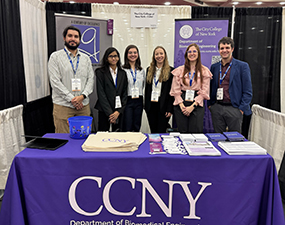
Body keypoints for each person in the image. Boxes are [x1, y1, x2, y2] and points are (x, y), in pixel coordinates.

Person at [48, 26, 94, 133]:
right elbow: (55, 82)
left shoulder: (86, 58)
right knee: (63, 138)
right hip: (63, 105)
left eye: (76, 37)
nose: (73, 39)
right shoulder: (55, 57)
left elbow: (90, 80)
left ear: (79, 40)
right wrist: (72, 99)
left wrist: (82, 97)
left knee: (83, 137)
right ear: (64, 38)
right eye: (70, 36)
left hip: (83, 106)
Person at [208, 37, 252, 133]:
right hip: (217, 108)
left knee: (234, 140)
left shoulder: (242, 66)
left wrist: (241, 109)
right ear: (219, 50)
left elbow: (248, 91)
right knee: (218, 139)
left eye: (227, 48)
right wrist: (211, 105)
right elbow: (210, 87)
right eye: (222, 48)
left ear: (232, 49)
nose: (224, 50)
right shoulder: (214, 67)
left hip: (234, 108)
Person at [170, 43, 212, 133]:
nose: (192, 53)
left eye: (194, 51)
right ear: (186, 54)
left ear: (198, 54)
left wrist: (192, 107)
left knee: (195, 132)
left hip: (197, 103)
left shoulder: (204, 71)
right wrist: (182, 106)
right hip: (181, 103)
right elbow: (175, 90)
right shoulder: (179, 70)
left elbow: (205, 90)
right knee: (182, 132)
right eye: (189, 52)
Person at [95, 47, 128, 132]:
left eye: (116, 56)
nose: (114, 58)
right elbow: (101, 93)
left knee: (117, 135)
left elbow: (125, 93)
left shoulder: (123, 73)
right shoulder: (100, 72)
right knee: (103, 135)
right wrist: (110, 114)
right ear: (106, 58)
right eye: (111, 56)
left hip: (118, 110)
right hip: (104, 109)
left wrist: (118, 112)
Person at [145, 46, 174, 133]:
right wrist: (146, 106)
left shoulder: (171, 71)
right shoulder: (149, 70)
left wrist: (170, 109)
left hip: (163, 105)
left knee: (161, 131)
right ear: (154, 56)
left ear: (165, 55)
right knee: (153, 131)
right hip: (151, 105)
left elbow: (171, 91)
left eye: (161, 53)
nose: (159, 56)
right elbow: (147, 89)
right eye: (156, 54)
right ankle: (153, 146)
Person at [122, 45, 145, 132]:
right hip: (128, 100)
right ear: (126, 55)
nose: (133, 55)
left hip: (139, 99)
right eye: (130, 53)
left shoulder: (141, 70)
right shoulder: (123, 69)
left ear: (138, 54)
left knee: (137, 124)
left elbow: (143, 85)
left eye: (135, 52)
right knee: (127, 125)